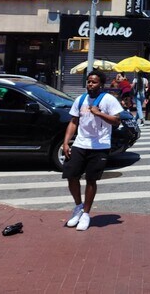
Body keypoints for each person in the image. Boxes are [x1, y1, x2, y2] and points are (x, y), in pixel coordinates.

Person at [62, 70, 123, 231]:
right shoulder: (80, 99)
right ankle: (78, 207)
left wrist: (99, 113)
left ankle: (86, 214)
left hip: (100, 146)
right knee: (71, 176)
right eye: (89, 81)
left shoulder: (109, 99)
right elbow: (73, 121)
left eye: (94, 82)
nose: (90, 84)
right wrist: (66, 142)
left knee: (91, 180)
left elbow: (117, 121)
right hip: (80, 144)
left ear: (101, 84)